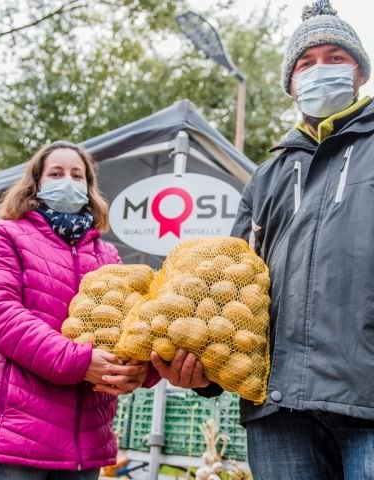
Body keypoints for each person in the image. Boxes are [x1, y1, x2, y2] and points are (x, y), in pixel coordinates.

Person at [152, 1, 374, 478]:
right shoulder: (268, 175)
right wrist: (205, 373)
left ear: (359, 71)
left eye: (335, 57)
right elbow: (229, 289)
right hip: (277, 415)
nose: (320, 70)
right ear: (291, 83)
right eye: (306, 63)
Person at [0, 141, 159, 480]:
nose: (67, 181)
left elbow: (131, 326)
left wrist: (140, 371)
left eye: (77, 175)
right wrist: (79, 362)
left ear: (88, 187)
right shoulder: (4, 235)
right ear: (36, 183)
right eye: (56, 173)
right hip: (16, 439)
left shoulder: (108, 256)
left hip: (86, 445)